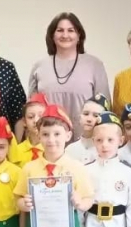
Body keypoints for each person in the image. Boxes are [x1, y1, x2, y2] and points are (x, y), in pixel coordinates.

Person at [28, 12, 109, 140]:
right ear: (52, 35)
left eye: (71, 30)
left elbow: (105, 107)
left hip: (87, 141)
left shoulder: (94, 65)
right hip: (49, 141)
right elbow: (31, 108)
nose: (65, 35)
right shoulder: (39, 66)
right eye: (60, 30)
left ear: (79, 36)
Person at [66, 93, 110, 164]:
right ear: (80, 117)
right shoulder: (70, 150)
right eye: (86, 114)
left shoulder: (106, 150)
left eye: (96, 115)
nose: (89, 119)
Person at [15, 94, 48, 167]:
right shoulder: (17, 150)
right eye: (31, 117)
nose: (36, 120)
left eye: (40, 116)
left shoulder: (51, 149)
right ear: (24, 121)